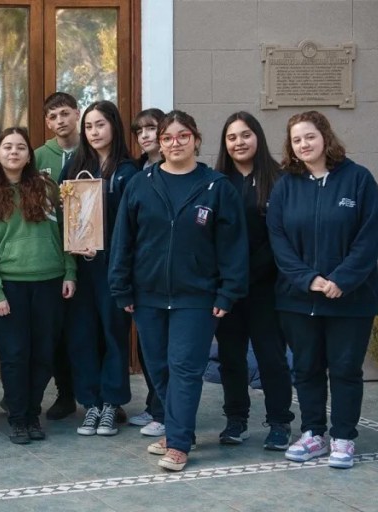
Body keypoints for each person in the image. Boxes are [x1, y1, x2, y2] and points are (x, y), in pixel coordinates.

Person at [110, 110, 248, 472]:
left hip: (197, 297)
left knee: (184, 368)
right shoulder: (141, 184)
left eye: (183, 136)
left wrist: (227, 292)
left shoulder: (217, 187)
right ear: (160, 143)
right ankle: (177, 430)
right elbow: (123, 240)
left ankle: (179, 443)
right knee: (159, 368)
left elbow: (233, 246)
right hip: (148, 296)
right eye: (168, 138)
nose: (175, 143)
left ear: (196, 140)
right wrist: (121, 288)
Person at [267, 111, 378, 469]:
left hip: (350, 299)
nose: (303, 144)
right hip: (298, 300)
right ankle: (313, 433)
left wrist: (341, 280)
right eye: (296, 140)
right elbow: (279, 240)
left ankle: (344, 437)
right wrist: (307, 279)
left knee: (345, 369)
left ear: (325, 137)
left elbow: (369, 237)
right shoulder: (285, 185)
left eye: (310, 137)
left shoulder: (359, 180)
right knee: (306, 368)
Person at [0, 127, 76, 444]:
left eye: (21, 147)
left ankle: (33, 414)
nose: (14, 152)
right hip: (10, 287)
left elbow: (66, 233)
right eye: (8, 147)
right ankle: (18, 418)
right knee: (15, 355)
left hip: (49, 282)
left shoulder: (47, 189)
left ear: (29, 155)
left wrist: (70, 272)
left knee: (43, 354)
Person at [213, 112, 295, 450]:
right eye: (232, 137)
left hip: (267, 288)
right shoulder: (217, 183)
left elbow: (284, 236)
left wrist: (254, 271)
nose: (239, 142)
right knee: (230, 358)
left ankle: (279, 422)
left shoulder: (280, 180)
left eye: (245, 135)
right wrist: (228, 280)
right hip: (228, 291)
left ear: (257, 137)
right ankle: (236, 420)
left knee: (271, 357)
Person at [57, 100, 137, 437]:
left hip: (114, 267)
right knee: (82, 336)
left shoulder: (129, 171)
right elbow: (62, 216)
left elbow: (134, 223)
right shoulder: (75, 167)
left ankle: (111, 403)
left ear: (114, 126)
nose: (94, 132)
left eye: (100, 124)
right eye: (88, 126)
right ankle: (90, 403)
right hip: (81, 266)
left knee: (114, 334)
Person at [33, 92, 80, 421]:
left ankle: (104, 397)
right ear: (47, 123)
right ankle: (65, 394)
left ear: (77, 113)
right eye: (53, 116)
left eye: (65, 113)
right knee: (58, 331)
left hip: (90, 253)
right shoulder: (38, 156)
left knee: (91, 329)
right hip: (53, 255)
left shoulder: (91, 150)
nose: (60, 121)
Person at [126, 107, 166, 436]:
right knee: (147, 346)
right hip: (143, 273)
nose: (145, 136)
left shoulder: (178, 169)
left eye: (150, 128)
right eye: (139, 131)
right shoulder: (136, 172)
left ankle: (166, 412)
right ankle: (155, 405)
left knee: (167, 349)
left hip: (172, 273)